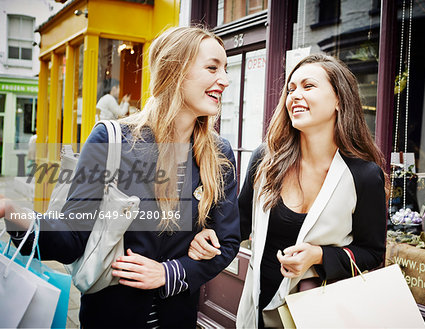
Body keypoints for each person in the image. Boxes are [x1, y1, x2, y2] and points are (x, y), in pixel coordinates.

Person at [0, 26, 240, 328]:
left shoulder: (220, 153)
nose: (225, 80)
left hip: (177, 319)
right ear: (174, 70)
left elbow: (229, 241)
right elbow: (72, 239)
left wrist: (171, 272)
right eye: (212, 67)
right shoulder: (112, 140)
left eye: (226, 69)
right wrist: (11, 211)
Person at [188, 54, 388, 328]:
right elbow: (238, 224)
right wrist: (207, 236)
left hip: (318, 314)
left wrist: (319, 256)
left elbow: (372, 252)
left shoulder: (363, 175)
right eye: (291, 89)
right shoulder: (265, 159)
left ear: (339, 99)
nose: (294, 96)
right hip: (258, 308)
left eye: (308, 86)